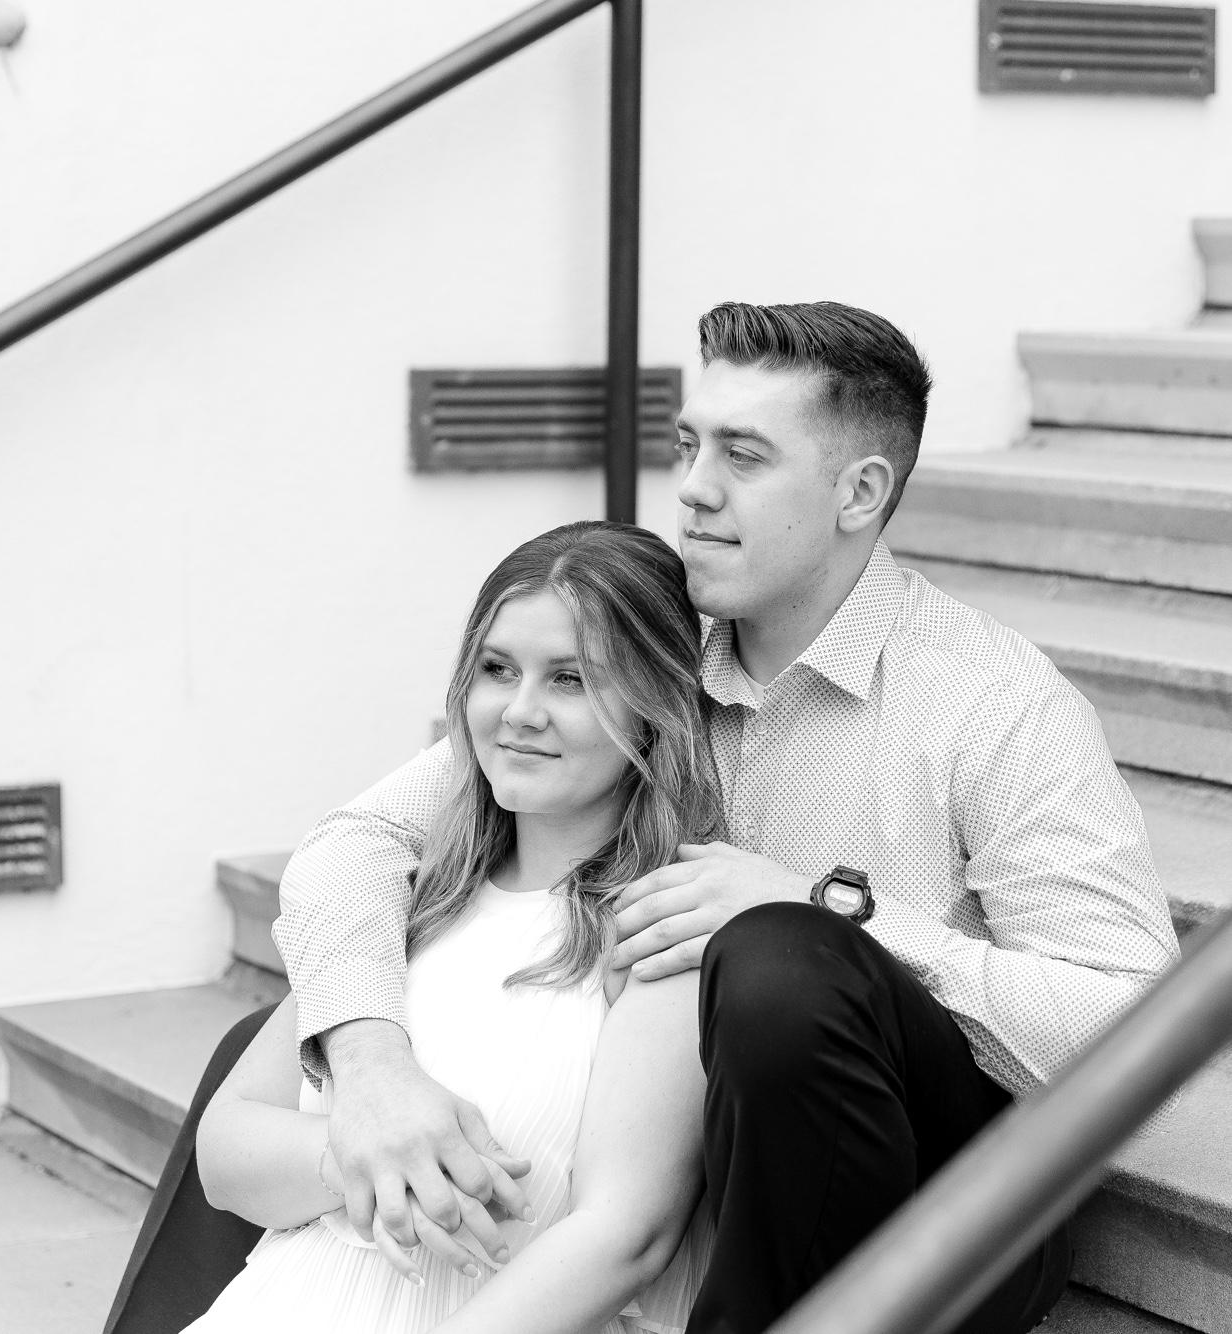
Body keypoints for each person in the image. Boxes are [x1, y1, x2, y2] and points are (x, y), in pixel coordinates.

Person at [268, 301, 1181, 1334]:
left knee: (779, 959)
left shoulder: (992, 702)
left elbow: (1138, 1033)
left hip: (944, 1209)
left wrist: (835, 912)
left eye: (743, 456)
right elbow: (358, 843)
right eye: (687, 444)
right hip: (689, 1152)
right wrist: (370, 1065)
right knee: (316, 1029)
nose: (694, 487)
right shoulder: (648, 654)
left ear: (859, 493)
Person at [183, 520, 722, 1332]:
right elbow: (224, 1154)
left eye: (571, 680)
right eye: (497, 670)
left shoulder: (660, 928)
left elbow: (627, 1237)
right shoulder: (408, 897)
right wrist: (367, 1150)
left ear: (655, 707)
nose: (520, 712)